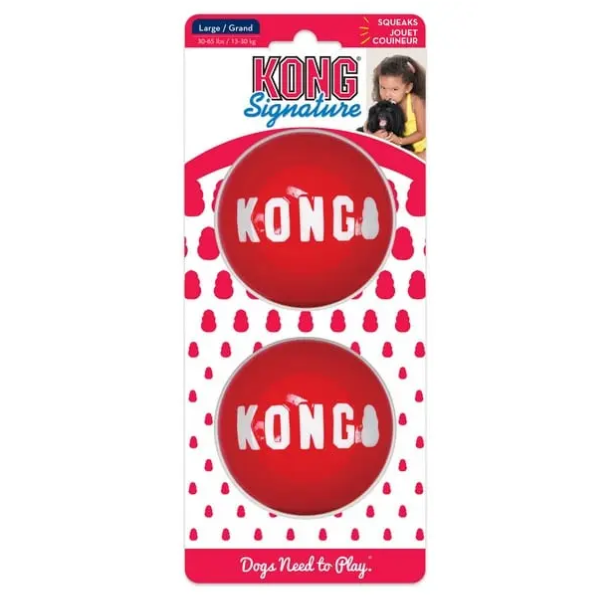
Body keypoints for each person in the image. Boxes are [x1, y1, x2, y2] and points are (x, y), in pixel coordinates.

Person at [364, 55, 426, 159]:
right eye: (383, 88)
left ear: (408, 87)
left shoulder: (415, 102)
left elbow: (422, 133)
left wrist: (400, 141)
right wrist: (373, 136)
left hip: (421, 148)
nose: (387, 94)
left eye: (394, 89)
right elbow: (367, 123)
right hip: (402, 149)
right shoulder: (385, 103)